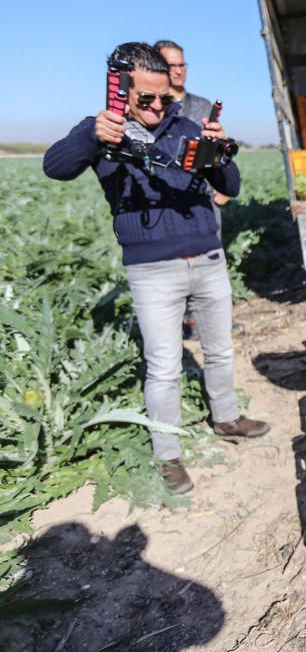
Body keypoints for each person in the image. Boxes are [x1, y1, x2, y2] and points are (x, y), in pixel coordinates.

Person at [43, 43, 270, 494]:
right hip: (153, 270)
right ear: (121, 91)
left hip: (207, 258)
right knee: (164, 366)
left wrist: (219, 153)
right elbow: (56, 166)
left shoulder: (185, 127)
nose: (157, 106)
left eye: (164, 97)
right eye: (146, 98)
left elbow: (232, 186)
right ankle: (167, 456)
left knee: (221, 349)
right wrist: (93, 135)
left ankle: (225, 417)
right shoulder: (104, 133)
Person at [155, 39, 230, 340]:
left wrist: (222, 183)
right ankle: (180, 322)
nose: (178, 71)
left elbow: (216, 149)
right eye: (171, 65)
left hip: (203, 198)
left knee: (210, 257)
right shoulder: (153, 109)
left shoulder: (200, 106)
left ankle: (208, 323)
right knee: (174, 262)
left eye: (182, 64)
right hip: (168, 199)